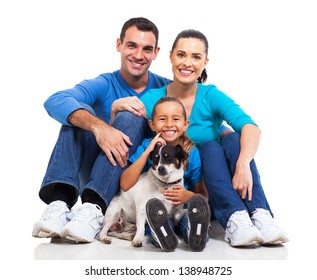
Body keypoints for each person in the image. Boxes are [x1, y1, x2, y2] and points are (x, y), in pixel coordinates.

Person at [32, 17, 229, 243]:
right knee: (77, 114)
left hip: (143, 182)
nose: (138, 55)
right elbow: (55, 100)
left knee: (130, 116)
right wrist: (100, 126)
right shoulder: (104, 83)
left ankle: (111, 214)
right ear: (119, 45)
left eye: (146, 49)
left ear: (156, 53)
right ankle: (61, 204)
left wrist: (228, 135)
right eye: (131, 45)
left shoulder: (164, 90)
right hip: (106, 175)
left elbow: (191, 121)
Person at [138, 29, 289, 247]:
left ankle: (259, 214)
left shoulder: (210, 95)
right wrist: (118, 107)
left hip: (218, 185)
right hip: (180, 191)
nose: (187, 63)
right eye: (181, 55)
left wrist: (243, 164)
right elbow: (131, 118)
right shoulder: (153, 99)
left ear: (205, 62)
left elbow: (251, 126)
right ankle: (232, 219)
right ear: (170, 56)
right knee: (210, 145)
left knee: (231, 139)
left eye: (196, 57)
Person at [120, 96, 210, 252]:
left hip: (179, 209)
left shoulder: (192, 153)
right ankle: (162, 235)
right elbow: (125, 184)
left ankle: (195, 234)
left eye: (175, 119)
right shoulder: (148, 146)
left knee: (186, 218)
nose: (169, 124)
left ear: (185, 124)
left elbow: (203, 195)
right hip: (158, 211)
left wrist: (188, 195)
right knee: (156, 219)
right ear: (152, 124)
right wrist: (148, 151)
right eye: (162, 119)